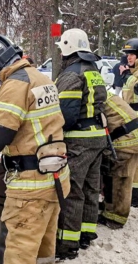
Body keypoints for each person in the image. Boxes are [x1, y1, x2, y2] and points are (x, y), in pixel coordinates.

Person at [0, 34, 70, 264]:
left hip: (30, 188)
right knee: (42, 247)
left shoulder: (15, 84)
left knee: (15, 252)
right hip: (55, 178)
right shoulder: (41, 78)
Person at [54, 28, 107, 260]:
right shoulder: (94, 70)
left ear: (67, 47)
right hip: (97, 138)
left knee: (72, 191)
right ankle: (86, 234)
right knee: (91, 188)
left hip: (78, 141)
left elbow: (64, 114)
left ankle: (68, 243)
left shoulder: (71, 74)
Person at [99, 91, 138, 229]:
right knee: (119, 177)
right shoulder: (103, 92)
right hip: (132, 134)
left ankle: (115, 218)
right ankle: (111, 208)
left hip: (126, 139)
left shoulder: (96, 97)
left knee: (119, 178)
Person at [120, 38, 138, 207]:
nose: (129, 58)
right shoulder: (131, 75)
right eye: (127, 55)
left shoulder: (134, 76)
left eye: (132, 54)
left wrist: (126, 76)